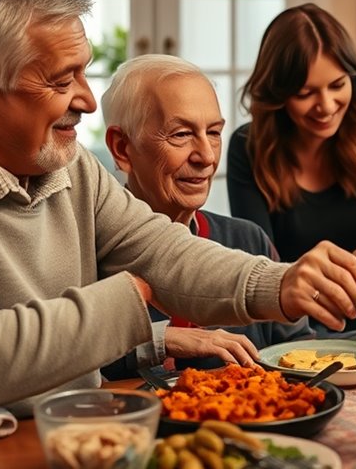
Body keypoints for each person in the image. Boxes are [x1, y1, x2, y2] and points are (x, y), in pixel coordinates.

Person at [0, 0, 356, 417]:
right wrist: (128, 299)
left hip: (80, 424)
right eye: (62, 80)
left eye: (84, 73)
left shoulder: (73, 167)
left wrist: (280, 282)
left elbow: (165, 252)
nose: (88, 99)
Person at [100, 54, 314, 380]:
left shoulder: (249, 240)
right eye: (181, 134)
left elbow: (301, 359)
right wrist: (156, 341)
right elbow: (63, 359)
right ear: (122, 148)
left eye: (213, 132)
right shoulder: (86, 255)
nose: (207, 156)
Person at [227, 3, 356, 332]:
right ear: (277, 94)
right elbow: (258, 267)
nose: (326, 106)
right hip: (283, 327)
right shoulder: (247, 146)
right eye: (305, 93)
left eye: (337, 85)